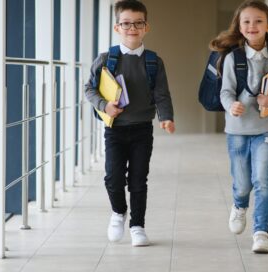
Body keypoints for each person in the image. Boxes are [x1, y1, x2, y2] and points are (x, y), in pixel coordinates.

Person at [209, 0, 268, 253]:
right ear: (239, 26)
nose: (252, 26)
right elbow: (225, 91)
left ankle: (261, 231)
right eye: (246, 21)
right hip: (237, 130)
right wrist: (231, 105)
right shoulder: (232, 58)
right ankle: (239, 205)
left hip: (266, 129)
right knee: (242, 183)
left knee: (262, 179)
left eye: (258, 21)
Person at [84, 0, 175, 247]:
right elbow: (90, 89)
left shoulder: (154, 61)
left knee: (138, 179)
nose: (132, 28)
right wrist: (105, 106)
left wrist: (166, 117)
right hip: (115, 129)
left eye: (138, 23)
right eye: (126, 23)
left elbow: (161, 93)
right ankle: (118, 212)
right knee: (113, 178)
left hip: (142, 129)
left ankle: (137, 226)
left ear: (146, 27)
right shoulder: (106, 59)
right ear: (117, 27)